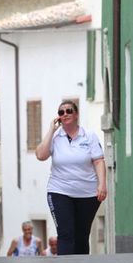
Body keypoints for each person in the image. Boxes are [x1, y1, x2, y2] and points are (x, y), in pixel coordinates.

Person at [35, 100, 107, 255]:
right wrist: (51, 131)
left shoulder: (89, 136)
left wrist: (102, 185)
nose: (65, 114)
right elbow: (41, 155)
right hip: (59, 190)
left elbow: (99, 161)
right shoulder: (55, 137)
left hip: (87, 193)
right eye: (61, 112)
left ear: (76, 114)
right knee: (66, 233)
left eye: (69, 111)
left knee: (81, 235)